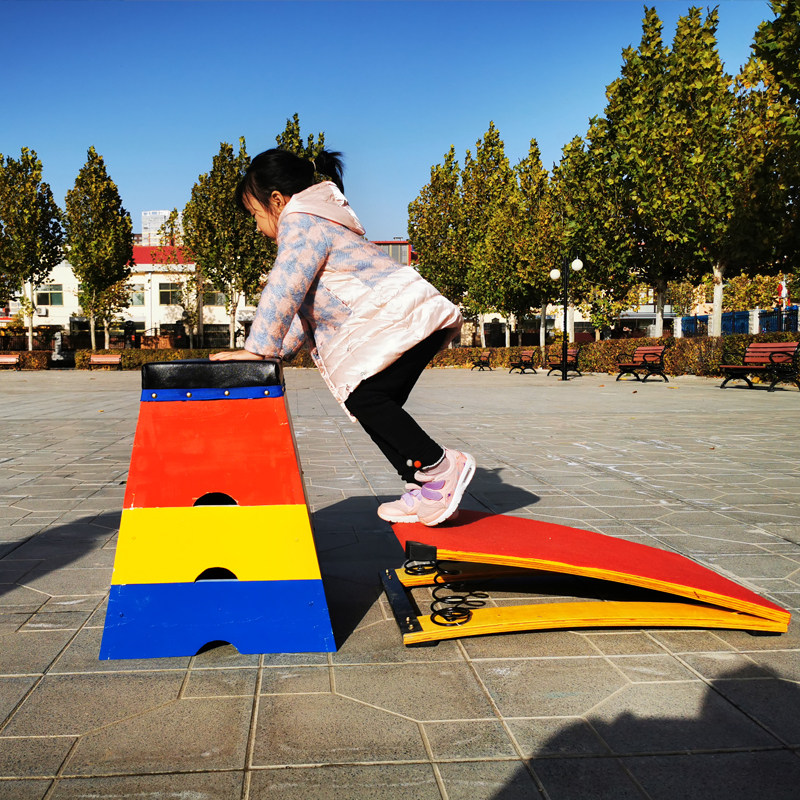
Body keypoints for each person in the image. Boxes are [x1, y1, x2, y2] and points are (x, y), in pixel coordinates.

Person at [210, 148, 475, 526]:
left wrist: (257, 350)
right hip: (401, 319)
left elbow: (284, 288)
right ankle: (422, 485)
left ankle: (442, 466)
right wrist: (273, 355)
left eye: (255, 215)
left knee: (369, 399)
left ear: (276, 200)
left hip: (400, 318)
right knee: (368, 404)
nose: (257, 227)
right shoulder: (320, 223)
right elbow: (307, 314)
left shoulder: (300, 222)